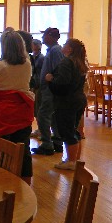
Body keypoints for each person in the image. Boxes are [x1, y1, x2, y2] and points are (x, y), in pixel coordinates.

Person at [0, 30, 35, 184]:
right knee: (24, 149)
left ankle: (1, 182)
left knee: (0, 149)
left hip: (1, 113)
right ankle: (25, 184)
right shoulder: (27, 64)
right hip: (22, 111)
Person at [45, 38, 88, 170]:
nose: (63, 46)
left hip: (67, 101)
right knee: (74, 130)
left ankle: (71, 161)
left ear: (70, 49)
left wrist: (50, 80)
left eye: (65, 45)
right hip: (78, 99)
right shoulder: (80, 62)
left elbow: (62, 83)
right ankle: (75, 160)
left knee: (67, 131)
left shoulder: (66, 62)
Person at [31, 27, 64, 156]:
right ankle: (56, 141)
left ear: (51, 37)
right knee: (53, 116)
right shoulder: (52, 50)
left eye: (45, 35)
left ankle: (47, 144)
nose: (43, 37)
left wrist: (50, 81)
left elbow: (57, 69)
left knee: (43, 115)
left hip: (50, 90)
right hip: (48, 89)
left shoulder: (55, 51)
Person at [30, 38, 45, 126]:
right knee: (35, 108)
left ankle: (41, 130)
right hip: (35, 84)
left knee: (38, 108)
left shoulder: (41, 58)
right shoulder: (33, 57)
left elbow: (39, 72)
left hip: (38, 85)